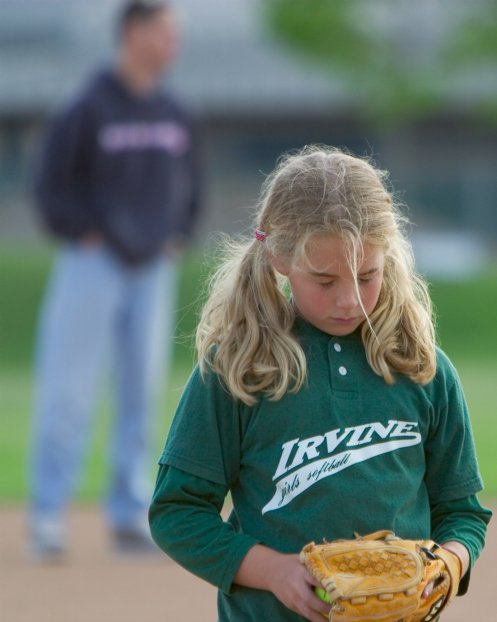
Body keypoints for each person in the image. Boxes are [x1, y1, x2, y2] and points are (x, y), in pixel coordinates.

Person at [149, 145, 491, 621]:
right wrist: (274, 572)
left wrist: (448, 565)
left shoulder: (422, 369)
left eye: (367, 275)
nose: (349, 300)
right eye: (325, 281)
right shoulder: (241, 368)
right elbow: (177, 513)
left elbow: (463, 513)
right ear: (280, 258)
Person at [29, 0, 201, 559]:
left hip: (153, 268)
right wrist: (77, 230)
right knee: (69, 391)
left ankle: (129, 513)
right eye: (164, 32)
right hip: (93, 266)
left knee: (141, 393)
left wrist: (179, 233)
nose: (172, 43)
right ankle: (49, 513)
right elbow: (50, 182)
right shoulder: (88, 105)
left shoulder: (174, 109)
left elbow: (192, 182)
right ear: (134, 31)